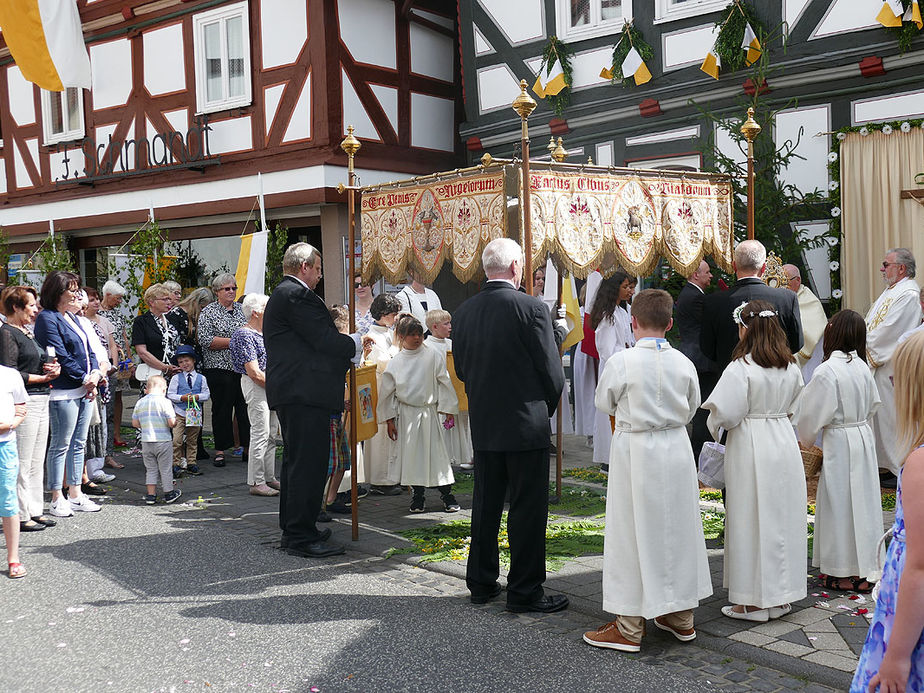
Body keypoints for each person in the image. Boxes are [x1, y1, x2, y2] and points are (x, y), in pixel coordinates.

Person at [583, 289, 712, 652]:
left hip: (635, 449)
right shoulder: (684, 363)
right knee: (677, 529)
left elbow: (602, 401)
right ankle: (680, 615)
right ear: (670, 324)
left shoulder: (621, 362)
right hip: (674, 448)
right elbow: (692, 408)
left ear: (633, 323)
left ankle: (629, 626)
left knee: (630, 532)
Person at [452, 238, 567, 613]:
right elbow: (552, 373)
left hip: (486, 421)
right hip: (525, 422)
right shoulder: (531, 308)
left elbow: (463, 370)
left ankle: (482, 583)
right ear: (516, 268)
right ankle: (524, 590)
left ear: (487, 269)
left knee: (485, 505)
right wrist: (544, 408)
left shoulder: (464, 310)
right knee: (527, 509)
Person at [702, 299, 807, 622]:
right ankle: (780, 595)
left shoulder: (742, 367)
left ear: (745, 328)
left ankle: (753, 602)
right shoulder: (790, 365)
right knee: (781, 517)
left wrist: (715, 426)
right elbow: (796, 405)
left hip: (751, 443)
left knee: (750, 516)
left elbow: (726, 413)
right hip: (782, 441)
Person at [264, 242, 359, 558]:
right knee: (307, 465)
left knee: (297, 464)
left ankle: (296, 528)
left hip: (297, 392)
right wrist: (353, 343)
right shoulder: (297, 295)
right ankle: (301, 535)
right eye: (318, 269)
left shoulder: (285, 294)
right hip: (304, 393)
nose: (319, 276)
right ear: (304, 267)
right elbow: (324, 340)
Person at [850, 330, 924, 693]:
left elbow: (920, 565)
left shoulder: (921, 463)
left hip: (911, 624)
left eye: (899, 376)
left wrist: (897, 653)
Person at [797, 310, 882, 594]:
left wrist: (806, 440)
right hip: (861, 437)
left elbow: (809, 419)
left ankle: (843, 570)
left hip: (840, 442)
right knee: (863, 503)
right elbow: (873, 405)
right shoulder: (862, 367)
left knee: (840, 504)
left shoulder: (827, 371)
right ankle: (866, 567)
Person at [34, 271, 103, 517]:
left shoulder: (71, 317)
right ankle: (56, 496)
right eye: (71, 289)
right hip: (64, 390)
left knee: (79, 444)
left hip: (84, 388)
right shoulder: (48, 318)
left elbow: (88, 349)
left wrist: (94, 374)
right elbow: (60, 354)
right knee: (61, 444)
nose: (76, 293)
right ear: (58, 291)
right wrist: (85, 378)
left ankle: (75, 492)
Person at [379, 314, 460, 513]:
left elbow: (444, 381)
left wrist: (448, 409)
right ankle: (418, 496)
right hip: (407, 415)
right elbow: (387, 393)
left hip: (429, 412)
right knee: (413, 457)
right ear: (401, 336)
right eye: (411, 335)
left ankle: (447, 494)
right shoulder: (396, 362)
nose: (416, 338)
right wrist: (390, 420)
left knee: (437, 456)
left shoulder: (432, 355)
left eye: (419, 334)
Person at [0, 287, 60, 532]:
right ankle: (21, 513)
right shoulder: (7, 333)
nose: (36, 309)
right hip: (26, 399)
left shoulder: (26, 331)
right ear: (16, 307)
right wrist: (39, 379)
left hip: (41, 397)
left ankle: (35, 509)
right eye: (31, 305)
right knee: (23, 460)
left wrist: (53, 370)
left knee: (37, 459)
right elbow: (10, 372)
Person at [700, 240, 803, 371]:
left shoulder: (713, 302)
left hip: (731, 377)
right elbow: (796, 344)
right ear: (764, 268)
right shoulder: (787, 299)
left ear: (734, 266)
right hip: (774, 376)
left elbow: (707, 348)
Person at [866, 248, 922, 479]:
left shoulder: (908, 294)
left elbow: (890, 331)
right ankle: (883, 463)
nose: (882, 268)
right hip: (879, 366)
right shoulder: (892, 291)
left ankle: (896, 465)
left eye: (886, 264)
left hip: (890, 366)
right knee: (881, 417)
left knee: (891, 417)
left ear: (901, 268)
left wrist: (864, 347)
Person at [229, 294, 280, 497]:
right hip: (258, 384)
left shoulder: (264, 331)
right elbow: (254, 372)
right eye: (267, 306)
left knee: (272, 432)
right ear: (256, 311)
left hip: (271, 384)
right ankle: (256, 481)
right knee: (260, 431)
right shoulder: (244, 335)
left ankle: (269, 477)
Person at [198, 274, 250, 466]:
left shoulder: (242, 310)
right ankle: (220, 449)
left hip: (242, 367)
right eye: (227, 289)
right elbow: (205, 340)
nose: (231, 292)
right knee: (221, 409)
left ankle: (247, 447)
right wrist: (234, 341)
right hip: (218, 368)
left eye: (234, 288)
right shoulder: (209, 312)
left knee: (244, 409)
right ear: (217, 291)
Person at [675, 260, 720, 461]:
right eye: (707, 272)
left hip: (698, 358)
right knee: (703, 410)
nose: (711, 276)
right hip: (701, 360)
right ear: (695, 274)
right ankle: (699, 454)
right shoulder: (694, 297)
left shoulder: (693, 295)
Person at [591, 270, 636, 468]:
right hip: (613, 369)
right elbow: (607, 350)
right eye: (625, 287)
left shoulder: (622, 312)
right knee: (609, 412)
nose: (630, 291)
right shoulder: (607, 316)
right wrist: (628, 351)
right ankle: (607, 457)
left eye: (631, 287)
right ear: (613, 289)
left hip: (625, 366)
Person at [362, 293, 403, 495]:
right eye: (394, 314)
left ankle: (393, 477)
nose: (396, 318)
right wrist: (396, 346)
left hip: (390, 390)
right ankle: (380, 481)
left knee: (391, 436)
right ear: (384, 314)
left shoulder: (387, 332)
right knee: (380, 438)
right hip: (379, 389)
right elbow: (385, 364)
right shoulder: (373, 336)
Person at [425, 309, 474, 471]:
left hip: (455, 394)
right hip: (437, 396)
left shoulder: (451, 344)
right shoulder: (426, 347)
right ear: (435, 327)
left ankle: (459, 458)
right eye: (446, 324)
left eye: (449, 323)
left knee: (458, 427)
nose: (450, 327)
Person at [79, 288, 117, 489]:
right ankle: (85, 473)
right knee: (89, 426)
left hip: (102, 376)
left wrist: (109, 367)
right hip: (87, 380)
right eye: (89, 300)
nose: (94, 303)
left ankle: (97, 467)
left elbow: (107, 348)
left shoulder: (100, 322)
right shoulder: (81, 323)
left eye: (95, 300)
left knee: (101, 422)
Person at [132, 375, 180, 505]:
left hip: (146, 441)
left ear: (146, 389)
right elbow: (171, 422)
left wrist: (147, 424)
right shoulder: (165, 402)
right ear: (164, 390)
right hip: (163, 440)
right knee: (165, 468)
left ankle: (151, 495)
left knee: (151, 469)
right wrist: (175, 423)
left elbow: (135, 423)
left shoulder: (140, 402)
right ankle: (169, 493)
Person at [0, 363, 28, 578]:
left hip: (5, 445)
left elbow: (21, 406)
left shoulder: (10, 375)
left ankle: (13, 558)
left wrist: (10, 424)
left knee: (8, 500)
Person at [166, 345, 210, 478]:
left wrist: (197, 397)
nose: (184, 364)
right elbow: (170, 394)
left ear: (193, 360)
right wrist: (182, 398)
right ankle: (176, 463)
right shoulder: (176, 378)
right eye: (181, 362)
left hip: (195, 413)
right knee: (177, 440)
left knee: (192, 439)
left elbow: (206, 394)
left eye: (187, 361)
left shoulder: (201, 378)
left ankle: (191, 462)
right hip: (179, 412)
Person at [98, 280, 131, 452]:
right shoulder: (95, 313)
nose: (119, 302)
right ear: (107, 295)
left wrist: (130, 358)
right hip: (106, 359)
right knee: (106, 397)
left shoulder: (118, 314)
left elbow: (124, 336)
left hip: (120, 359)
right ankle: (106, 434)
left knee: (118, 396)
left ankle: (116, 433)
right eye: (117, 298)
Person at [131, 283, 181, 387]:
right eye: (165, 299)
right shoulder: (141, 322)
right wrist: (164, 367)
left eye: (169, 299)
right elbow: (142, 352)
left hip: (175, 373)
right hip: (154, 373)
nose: (169, 302)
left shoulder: (172, 319)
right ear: (152, 302)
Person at [783, 264, 827, 380]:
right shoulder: (782, 298)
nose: (782, 285)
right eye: (779, 280)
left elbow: (811, 331)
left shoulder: (809, 300)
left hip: (809, 359)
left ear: (798, 280)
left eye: (785, 280)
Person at [573, 272, 602, 445]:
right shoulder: (582, 314)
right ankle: (590, 432)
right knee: (588, 393)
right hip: (585, 356)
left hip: (597, 355)